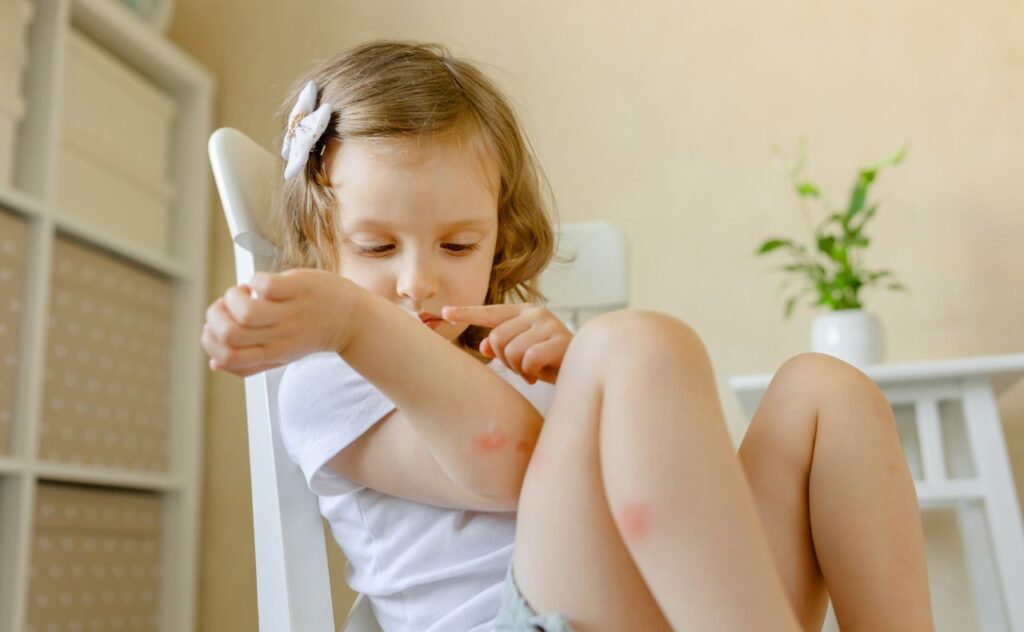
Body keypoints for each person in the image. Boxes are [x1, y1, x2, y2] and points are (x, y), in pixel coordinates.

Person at [200, 40, 934, 631]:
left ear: (499, 236)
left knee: (825, 387)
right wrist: (349, 319)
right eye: (376, 247)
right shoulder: (333, 371)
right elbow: (507, 468)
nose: (416, 281)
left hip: (673, 604)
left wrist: (574, 374)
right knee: (638, 344)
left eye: (457, 246)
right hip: (519, 620)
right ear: (318, 238)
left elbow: (644, 491)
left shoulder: (511, 353)